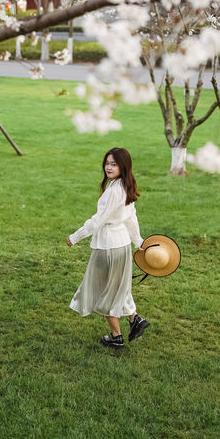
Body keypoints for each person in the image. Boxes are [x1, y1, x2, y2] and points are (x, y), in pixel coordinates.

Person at [67, 147, 150, 350]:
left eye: (114, 164)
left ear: (123, 167)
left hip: (109, 247)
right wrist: (137, 241)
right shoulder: (124, 186)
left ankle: (116, 336)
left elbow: (98, 221)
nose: (109, 167)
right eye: (107, 163)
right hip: (121, 246)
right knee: (118, 287)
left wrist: (75, 237)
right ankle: (134, 319)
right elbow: (131, 219)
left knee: (106, 291)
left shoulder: (115, 191)